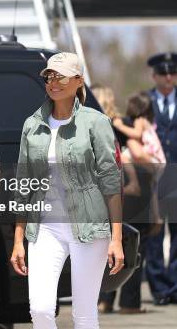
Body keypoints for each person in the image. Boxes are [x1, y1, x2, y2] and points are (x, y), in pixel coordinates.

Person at [10, 52, 124, 329]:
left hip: (89, 225)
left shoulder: (96, 122)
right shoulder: (32, 124)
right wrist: (18, 240)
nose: (53, 82)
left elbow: (111, 180)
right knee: (40, 309)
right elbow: (24, 182)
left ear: (78, 81)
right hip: (45, 227)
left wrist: (116, 238)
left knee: (84, 314)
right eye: (49, 76)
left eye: (60, 76)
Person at [93, 87, 161, 314]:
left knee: (112, 245)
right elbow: (135, 152)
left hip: (115, 192)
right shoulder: (126, 124)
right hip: (134, 194)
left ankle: (105, 299)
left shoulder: (103, 125)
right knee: (132, 248)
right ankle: (129, 303)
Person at [145, 52, 177, 305]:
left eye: (173, 73)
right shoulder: (145, 101)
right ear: (154, 76)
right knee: (155, 233)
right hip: (154, 177)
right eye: (164, 73)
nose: (169, 78)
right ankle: (158, 288)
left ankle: (175, 286)